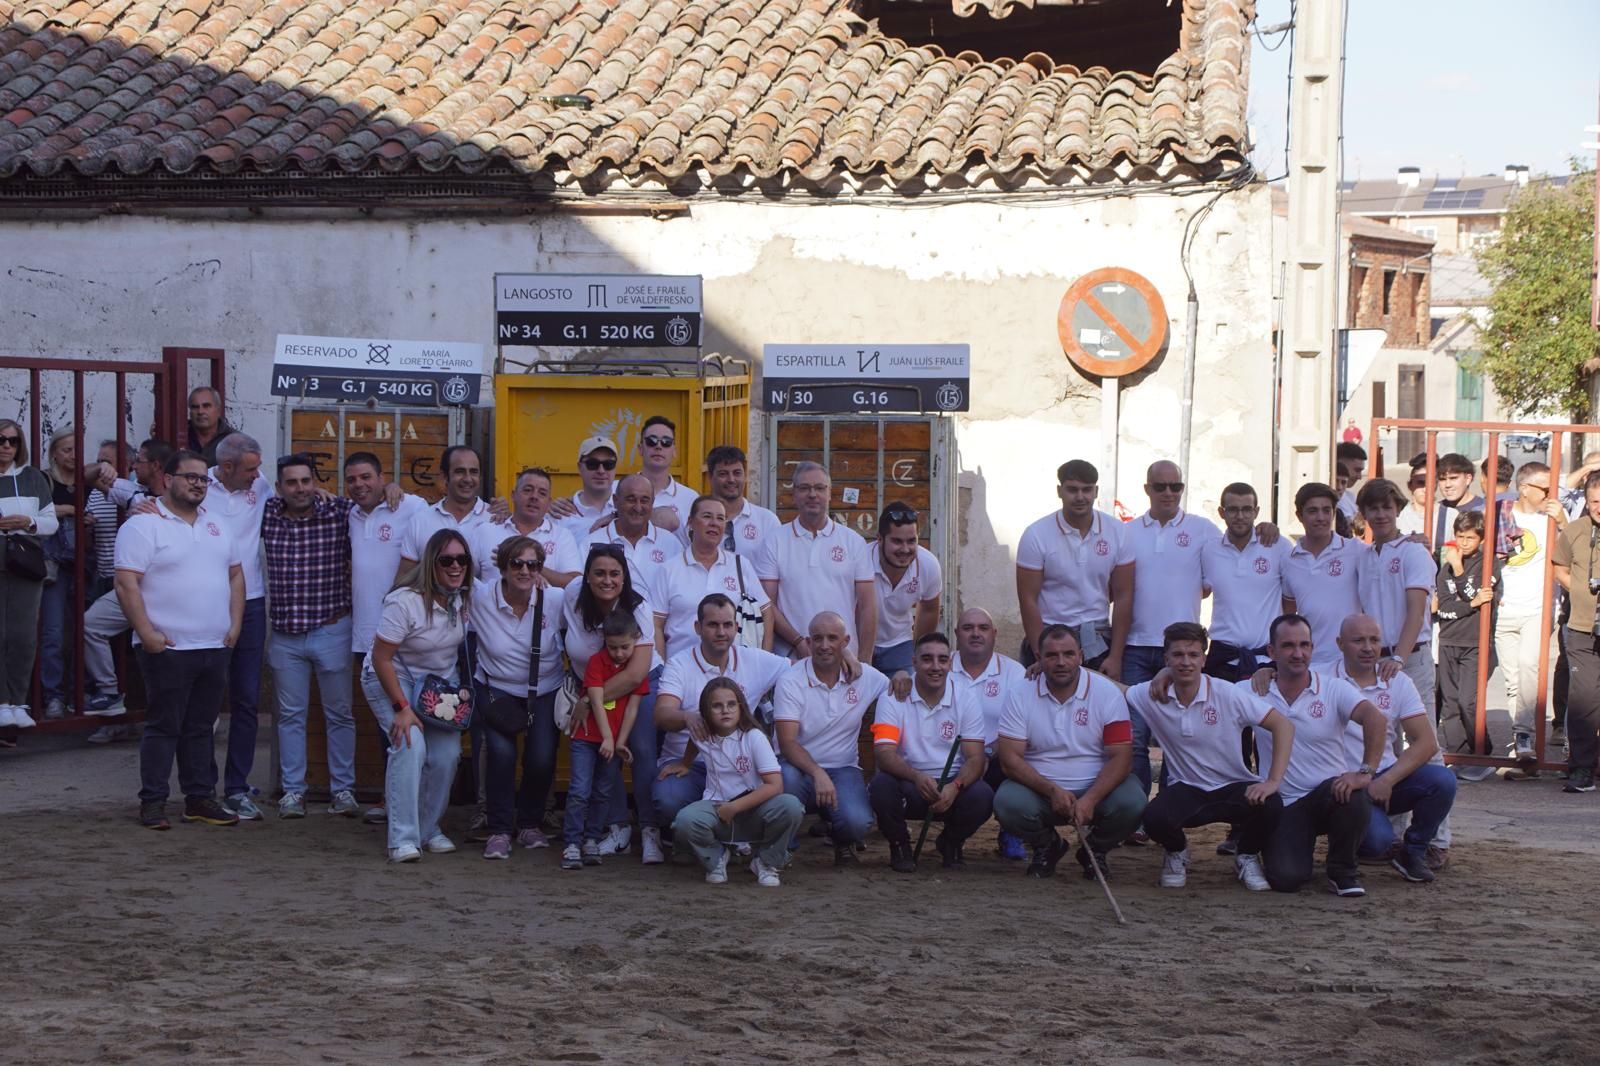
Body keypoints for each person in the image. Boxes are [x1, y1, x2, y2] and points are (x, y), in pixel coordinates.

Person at [115, 449, 244, 830]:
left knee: (202, 727)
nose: (197, 484)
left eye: (203, 479)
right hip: (167, 648)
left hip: (213, 645)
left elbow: (236, 575)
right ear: (168, 479)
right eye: (189, 477)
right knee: (163, 725)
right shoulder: (142, 526)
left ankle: (199, 799)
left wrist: (234, 625)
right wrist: (146, 633)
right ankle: (153, 803)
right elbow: (126, 584)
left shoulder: (218, 523)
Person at [1129, 622, 1291, 892]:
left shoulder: (1227, 693)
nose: (1186, 662)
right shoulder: (1153, 694)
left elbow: (1283, 725)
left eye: (1193, 655)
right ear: (1166, 658)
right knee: (1154, 817)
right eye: (1178, 655)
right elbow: (1114, 688)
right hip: (1188, 788)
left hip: (1233, 785)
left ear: (1204, 659)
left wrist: (1273, 780)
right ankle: (1177, 852)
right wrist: (1050, 669)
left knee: (1271, 803)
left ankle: (1247, 855)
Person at [1249, 614, 1387, 896]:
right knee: (1287, 879)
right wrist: (1167, 673)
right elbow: (1204, 687)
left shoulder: (1333, 688)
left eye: (1305, 645)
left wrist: (1365, 772)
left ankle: (1342, 871)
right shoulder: (1252, 690)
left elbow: (1376, 719)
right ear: (1272, 652)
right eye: (1288, 646)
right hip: (1283, 804)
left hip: (1328, 795)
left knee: (1354, 792)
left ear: (1313, 648)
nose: (1298, 653)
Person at [993, 625, 1145, 880]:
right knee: (1007, 803)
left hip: (1096, 788)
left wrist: (1091, 799)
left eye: (1068, 654)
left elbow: (1122, 758)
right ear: (1038, 659)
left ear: (1081, 656)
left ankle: (1094, 850)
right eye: (1051, 655)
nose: (1061, 662)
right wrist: (1051, 790)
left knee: (1134, 802)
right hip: (1040, 790)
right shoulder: (1019, 694)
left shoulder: (1107, 694)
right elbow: (1009, 760)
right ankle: (1048, 845)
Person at [260, 454, 362, 821]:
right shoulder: (267, 514)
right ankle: (292, 793)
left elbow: (378, 506)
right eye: (292, 483)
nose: (300, 489)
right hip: (286, 635)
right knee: (289, 716)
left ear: (314, 483)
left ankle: (343, 791)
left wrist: (395, 489)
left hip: (332, 628)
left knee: (340, 714)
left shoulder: (338, 513)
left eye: (306, 481)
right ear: (279, 488)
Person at [362, 528, 473, 861]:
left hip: (438, 684)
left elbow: (510, 586)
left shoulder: (465, 594)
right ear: (430, 564)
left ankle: (429, 829)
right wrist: (401, 707)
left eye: (462, 559)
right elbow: (382, 658)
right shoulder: (405, 601)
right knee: (409, 743)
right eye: (447, 560)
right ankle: (403, 838)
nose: (456, 566)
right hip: (392, 677)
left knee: (446, 755)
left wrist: (539, 580)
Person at [1330, 615, 1456, 883]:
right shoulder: (1320, 676)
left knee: (1443, 780)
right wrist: (1266, 672)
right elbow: (1283, 677)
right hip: (1341, 783)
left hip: (1381, 778)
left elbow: (1426, 742)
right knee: (1377, 842)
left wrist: (1387, 779)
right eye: (1358, 641)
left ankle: (1413, 852)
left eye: (1374, 640)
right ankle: (1348, 841)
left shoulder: (1397, 681)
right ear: (1340, 644)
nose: (1367, 648)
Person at [653, 594, 792, 833]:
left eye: (727, 625)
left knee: (784, 782)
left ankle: (746, 841)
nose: (721, 632)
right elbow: (662, 713)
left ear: (736, 627)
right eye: (712, 625)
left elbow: (803, 669)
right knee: (668, 799)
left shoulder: (754, 660)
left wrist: (845, 656)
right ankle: (689, 834)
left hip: (740, 767)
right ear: (698, 628)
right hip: (691, 764)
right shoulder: (679, 664)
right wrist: (687, 716)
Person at [560, 545, 663, 860]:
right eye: (600, 573)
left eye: (615, 574)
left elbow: (635, 675)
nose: (607, 580)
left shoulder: (638, 607)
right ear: (587, 576)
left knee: (642, 750)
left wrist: (589, 702)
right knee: (603, 751)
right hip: (590, 687)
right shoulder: (571, 597)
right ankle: (617, 827)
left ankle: (650, 830)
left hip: (638, 683)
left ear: (624, 577)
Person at [468, 536, 568, 858]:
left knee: (540, 760)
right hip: (496, 689)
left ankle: (529, 823)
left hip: (545, 689)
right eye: (517, 563)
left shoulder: (555, 600)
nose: (524, 571)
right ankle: (498, 830)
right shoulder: (480, 598)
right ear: (503, 567)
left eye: (532, 564)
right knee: (501, 755)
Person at [869, 632, 994, 871]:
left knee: (982, 796)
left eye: (942, 660)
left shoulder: (966, 698)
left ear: (950, 663)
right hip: (910, 782)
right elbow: (884, 754)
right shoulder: (893, 696)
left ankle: (951, 842)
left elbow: (976, 757)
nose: (935, 667)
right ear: (914, 663)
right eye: (927, 659)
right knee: (881, 787)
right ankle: (900, 845)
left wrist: (955, 786)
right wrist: (916, 776)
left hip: (951, 783)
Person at [773, 610, 889, 865]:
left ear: (845, 642)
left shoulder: (864, 676)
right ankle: (783, 848)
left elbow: (895, 688)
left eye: (832, 639)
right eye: (818, 638)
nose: (824, 645)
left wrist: (902, 676)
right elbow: (787, 743)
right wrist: (817, 773)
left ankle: (842, 838)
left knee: (858, 822)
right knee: (785, 779)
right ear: (808, 642)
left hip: (843, 767)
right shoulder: (791, 681)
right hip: (797, 767)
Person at [668, 677, 805, 887]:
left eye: (731, 704)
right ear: (706, 711)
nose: (725, 710)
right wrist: (685, 763)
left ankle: (766, 862)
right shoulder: (702, 733)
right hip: (717, 808)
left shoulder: (754, 737)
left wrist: (735, 807)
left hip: (754, 809)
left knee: (791, 806)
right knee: (685, 821)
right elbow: (694, 741)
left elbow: (775, 785)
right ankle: (717, 858)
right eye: (717, 706)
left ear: (741, 707)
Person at [81, 440, 173, 735]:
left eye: (141, 461)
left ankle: (199, 718)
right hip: (136, 588)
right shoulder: (134, 493)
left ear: (156, 466)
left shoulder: (183, 498)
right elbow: (87, 475)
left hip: (173, 590)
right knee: (90, 624)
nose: (134, 466)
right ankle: (109, 693)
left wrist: (161, 515)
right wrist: (103, 467)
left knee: (177, 651)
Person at [204, 433, 273, 808]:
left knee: (246, 699)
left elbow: (294, 498)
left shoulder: (259, 485)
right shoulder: (201, 486)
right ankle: (203, 785)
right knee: (207, 698)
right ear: (226, 467)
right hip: (207, 603)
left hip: (250, 603)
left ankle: (236, 786)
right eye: (250, 468)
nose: (257, 475)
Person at [1015, 459, 1132, 673]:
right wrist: (1040, 654)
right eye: (1072, 490)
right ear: (1059, 491)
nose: (1080, 497)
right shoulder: (1036, 534)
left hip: (1097, 637)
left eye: (1087, 490)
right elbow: (1027, 599)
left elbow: (1124, 596)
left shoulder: (1118, 531)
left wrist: (1116, 656)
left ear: (1096, 491)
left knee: (1098, 704)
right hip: (1050, 636)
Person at [756, 462, 875, 658]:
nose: (812, 494)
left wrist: (864, 660)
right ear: (794, 494)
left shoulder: (853, 541)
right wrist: (798, 642)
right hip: (792, 658)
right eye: (804, 488)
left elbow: (868, 606)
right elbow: (768, 604)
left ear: (829, 493)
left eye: (820, 488)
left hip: (844, 659)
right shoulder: (774, 540)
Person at [565, 611, 648, 870]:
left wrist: (620, 741)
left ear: (636, 639)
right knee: (579, 790)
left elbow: (633, 708)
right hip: (587, 737)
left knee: (602, 791)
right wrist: (609, 738)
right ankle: (571, 843)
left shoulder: (637, 669)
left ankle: (591, 839)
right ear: (604, 641)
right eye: (613, 648)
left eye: (625, 647)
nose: (619, 654)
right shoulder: (596, 662)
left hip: (612, 743)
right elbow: (596, 702)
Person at [1497, 462, 1565, 767]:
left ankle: (1524, 734)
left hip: (1537, 609)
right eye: (1545, 489)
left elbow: (1572, 553)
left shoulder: (1552, 520)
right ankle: (1521, 737)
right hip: (1502, 607)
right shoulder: (1500, 514)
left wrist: (1562, 521)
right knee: (1513, 678)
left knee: (1528, 669)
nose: (1551, 495)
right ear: (1524, 488)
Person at [652, 495, 771, 660]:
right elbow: (656, 625)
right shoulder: (669, 569)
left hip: (733, 673)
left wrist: (763, 660)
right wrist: (661, 669)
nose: (714, 523)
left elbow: (766, 612)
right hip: (682, 670)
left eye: (720, 518)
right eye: (707, 516)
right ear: (691, 522)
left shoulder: (740, 565)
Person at [949, 607, 1027, 858]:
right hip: (945, 757)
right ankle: (952, 838)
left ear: (994, 634)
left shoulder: (1015, 673)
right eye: (968, 628)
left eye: (983, 628)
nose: (975, 634)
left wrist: (986, 752)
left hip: (995, 758)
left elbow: (1023, 726)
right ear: (956, 633)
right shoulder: (939, 666)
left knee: (1018, 763)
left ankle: (1012, 831)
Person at [1199, 482, 1291, 682]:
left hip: (1266, 660)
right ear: (1222, 512)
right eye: (1233, 510)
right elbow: (1197, 590)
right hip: (1222, 659)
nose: (1240, 516)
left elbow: (1292, 597)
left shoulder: (1278, 546)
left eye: (1246, 509)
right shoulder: (1208, 550)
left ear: (1256, 512)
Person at [0, 418, 58, 731]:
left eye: (13, 441)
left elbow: (51, 523)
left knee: (23, 636)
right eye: (1, 440)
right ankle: (1, 702)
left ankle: (18, 701)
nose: (7, 446)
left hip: (24, 564)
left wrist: (28, 522)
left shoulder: (32, 478)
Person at [1436, 510, 1503, 779]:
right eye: (1460, 537)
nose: (1464, 543)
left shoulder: (1489, 563)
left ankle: (1481, 752)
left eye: (1470, 538)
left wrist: (1462, 575)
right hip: (1449, 639)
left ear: (1481, 539)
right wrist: (1469, 605)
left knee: (1469, 701)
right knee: (1450, 703)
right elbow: (1445, 608)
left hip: (1475, 642)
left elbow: (1479, 597)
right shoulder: (1446, 567)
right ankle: (1458, 753)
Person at [1355, 479, 1435, 698]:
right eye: (1373, 508)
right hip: (1374, 660)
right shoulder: (1361, 556)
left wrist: (1399, 658)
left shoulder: (1413, 552)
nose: (1381, 515)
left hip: (1411, 658)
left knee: (1420, 731)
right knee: (1380, 731)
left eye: (1387, 507)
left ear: (1398, 509)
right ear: (1364, 513)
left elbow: (1416, 612)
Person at [1281, 482, 1369, 667]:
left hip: (1348, 662)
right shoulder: (1288, 560)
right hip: (1309, 663)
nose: (1321, 517)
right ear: (1299, 516)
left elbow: (1387, 552)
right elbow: (1288, 613)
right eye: (1312, 511)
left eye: (1326, 510)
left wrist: (1414, 541)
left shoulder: (1356, 551)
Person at [1551, 473, 1600, 793]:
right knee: (1583, 703)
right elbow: (1560, 568)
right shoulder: (1575, 531)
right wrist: (1582, 592)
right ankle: (1581, 769)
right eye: (1595, 501)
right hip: (1582, 628)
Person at [39, 425, 90, 720]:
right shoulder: (44, 480)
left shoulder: (89, 482)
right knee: (54, 633)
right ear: (54, 454)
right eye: (67, 450)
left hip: (86, 565)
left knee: (84, 632)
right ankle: (54, 696)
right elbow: (38, 511)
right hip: (55, 567)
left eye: (76, 450)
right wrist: (70, 510)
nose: (73, 455)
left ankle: (79, 694)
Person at [474, 467, 582, 586]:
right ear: (513, 495)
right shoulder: (485, 531)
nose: (534, 497)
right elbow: (465, 576)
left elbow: (575, 584)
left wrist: (528, 564)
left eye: (542, 493)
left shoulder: (562, 536)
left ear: (549, 501)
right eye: (527, 490)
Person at [869, 503, 942, 675]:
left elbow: (930, 609)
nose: (905, 549)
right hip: (860, 641)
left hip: (900, 643)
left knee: (907, 695)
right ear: (879, 539)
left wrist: (917, 651)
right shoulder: (860, 561)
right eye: (897, 541)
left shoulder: (928, 564)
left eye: (911, 541)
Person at [397, 445, 492, 576]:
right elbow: (405, 579)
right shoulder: (421, 520)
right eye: (460, 471)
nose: (468, 479)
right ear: (445, 477)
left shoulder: (495, 519)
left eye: (474, 472)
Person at [588, 474, 676, 606]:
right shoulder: (592, 542)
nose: (638, 507)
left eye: (645, 500)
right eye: (631, 499)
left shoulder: (671, 544)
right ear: (616, 501)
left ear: (653, 503)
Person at [1431, 452, 1518, 559]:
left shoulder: (1486, 508)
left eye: (1453, 478)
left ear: (1468, 478)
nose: (1447, 485)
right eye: (1442, 479)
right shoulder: (1435, 511)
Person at [706, 445, 779, 558]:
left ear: (745, 475)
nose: (731, 480)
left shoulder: (767, 521)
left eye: (737, 473)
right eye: (723, 474)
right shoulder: (697, 520)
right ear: (710, 477)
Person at [635, 416, 696, 535]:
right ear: (640, 448)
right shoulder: (616, 491)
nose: (658, 447)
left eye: (666, 442)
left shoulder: (691, 499)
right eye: (651, 441)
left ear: (674, 451)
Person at [550, 435, 619, 539]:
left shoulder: (629, 506)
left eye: (608, 464)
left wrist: (618, 515)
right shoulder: (560, 514)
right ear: (579, 467)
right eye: (592, 464)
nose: (601, 470)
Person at [184, 385, 236, 465]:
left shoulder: (234, 440)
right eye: (195, 407)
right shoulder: (181, 436)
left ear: (218, 410)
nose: (200, 412)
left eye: (206, 406)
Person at [1396, 460, 1429, 537]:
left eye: (1429, 483)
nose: (1425, 489)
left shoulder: (1449, 515)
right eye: (1420, 483)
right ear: (1410, 485)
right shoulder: (1399, 516)